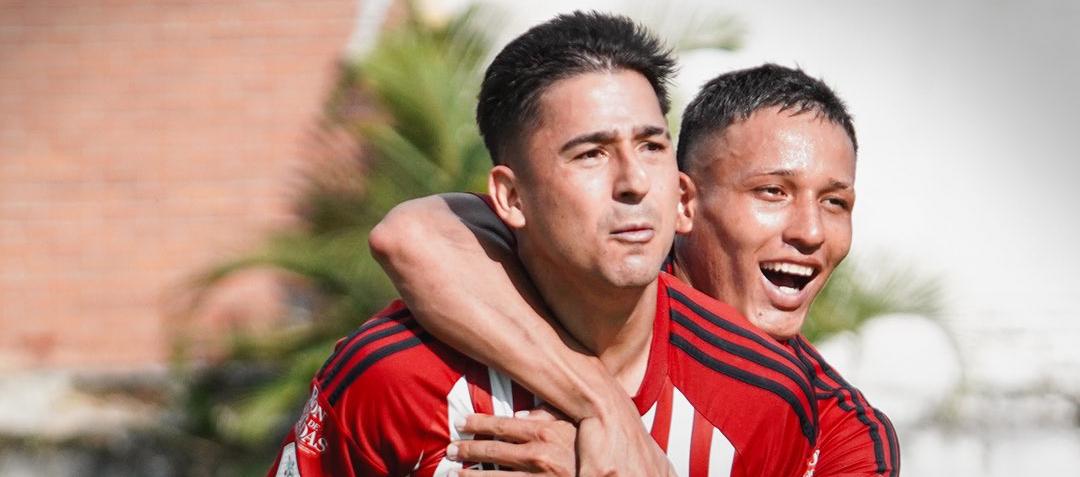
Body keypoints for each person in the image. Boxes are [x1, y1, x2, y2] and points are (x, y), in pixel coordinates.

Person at [268, 12, 818, 477]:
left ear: (681, 191)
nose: (633, 181)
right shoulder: (391, 376)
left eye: (651, 146)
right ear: (510, 198)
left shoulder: (765, 396)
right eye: (590, 154)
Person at [370, 62, 899, 476]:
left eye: (836, 203)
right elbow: (410, 236)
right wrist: (607, 409)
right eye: (772, 192)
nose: (810, 232)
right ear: (682, 200)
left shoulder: (844, 436)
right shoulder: (598, 267)